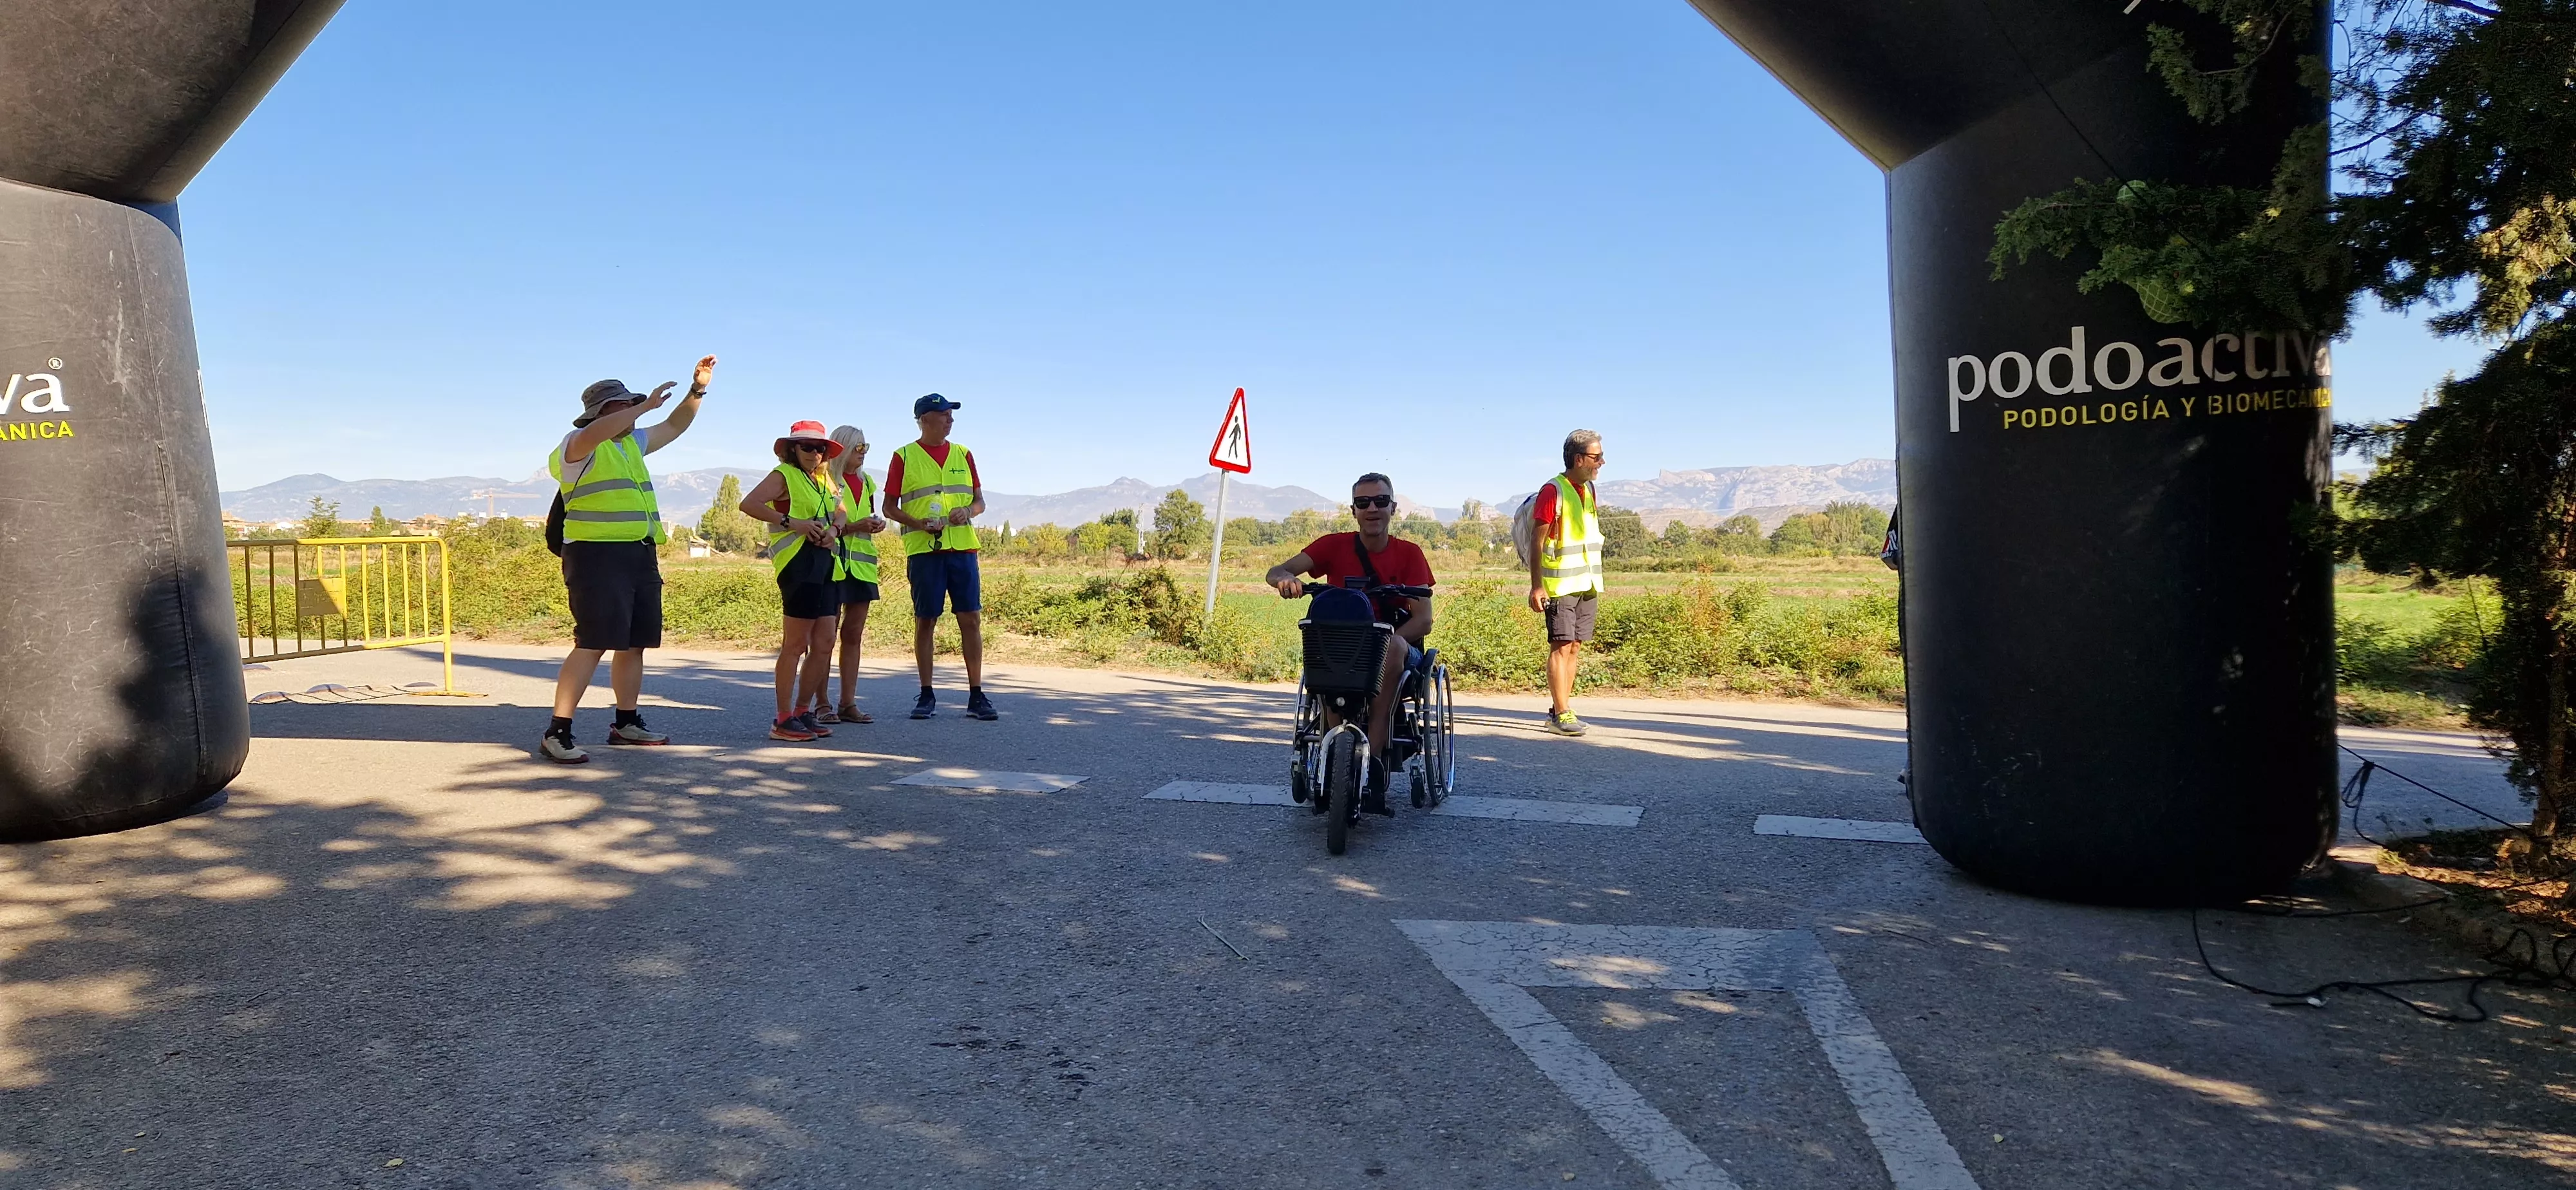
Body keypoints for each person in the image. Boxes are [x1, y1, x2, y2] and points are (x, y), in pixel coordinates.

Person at [540, 354, 714, 764]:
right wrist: (644, 405)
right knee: (593, 643)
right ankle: (557, 732)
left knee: (634, 644)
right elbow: (600, 430)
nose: (635, 412)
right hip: (594, 557)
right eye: (625, 405)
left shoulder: (631, 444)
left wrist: (697, 390)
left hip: (639, 553)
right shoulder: (576, 446)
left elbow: (675, 425)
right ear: (604, 413)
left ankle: (626, 721)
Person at [1265, 473, 1436, 815]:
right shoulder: (1333, 546)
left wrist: (1385, 644)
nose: (1372, 508)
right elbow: (1277, 570)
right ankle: (1332, 753)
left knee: (1393, 647)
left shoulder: (1409, 554)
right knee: (1320, 635)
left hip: (1397, 649)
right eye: (1364, 503)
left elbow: (1424, 620)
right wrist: (1284, 579)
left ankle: (1373, 759)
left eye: (1380, 501)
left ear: (1393, 508)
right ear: (1354, 510)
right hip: (1344, 646)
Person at [883, 393, 997, 721]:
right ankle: (927, 694)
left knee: (970, 619)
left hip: (962, 549)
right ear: (924, 419)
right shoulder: (903, 456)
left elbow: (980, 502)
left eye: (951, 415)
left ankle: (976, 695)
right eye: (944, 414)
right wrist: (918, 523)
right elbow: (889, 508)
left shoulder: (964, 453)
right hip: (925, 552)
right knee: (926, 620)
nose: (950, 420)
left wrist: (968, 511)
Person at [738, 421, 849, 742]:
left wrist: (834, 530)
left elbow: (840, 512)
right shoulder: (783, 475)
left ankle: (803, 711)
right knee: (796, 644)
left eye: (820, 448)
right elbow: (749, 504)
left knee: (825, 642)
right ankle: (783, 718)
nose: (815, 454)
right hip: (798, 566)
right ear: (792, 449)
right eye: (807, 447)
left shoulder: (825, 480)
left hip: (827, 564)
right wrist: (792, 523)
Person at [1528, 429, 1605, 737]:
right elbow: (1537, 541)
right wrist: (1537, 586)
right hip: (1559, 585)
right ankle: (1561, 714)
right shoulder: (1553, 491)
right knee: (1560, 647)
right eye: (1596, 457)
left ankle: (1562, 708)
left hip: (1587, 583)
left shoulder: (1588, 491)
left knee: (1574, 647)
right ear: (1579, 459)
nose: (1601, 462)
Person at [819, 423, 888, 724]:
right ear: (843, 448)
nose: (863, 453)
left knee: (854, 635)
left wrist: (875, 524)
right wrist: (854, 527)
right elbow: (822, 525)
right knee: (824, 637)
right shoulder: (824, 482)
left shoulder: (868, 482)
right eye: (858, 448)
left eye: (866, 448)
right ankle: (820, 703)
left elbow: (867, 516)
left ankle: (847, 702)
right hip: (831, 566)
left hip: (862, 567)